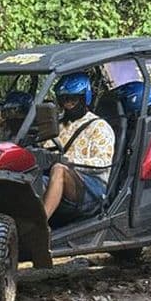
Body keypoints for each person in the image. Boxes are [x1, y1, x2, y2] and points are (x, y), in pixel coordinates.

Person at [43, 72, 115, 224]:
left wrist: (69, 161)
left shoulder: (99, 126)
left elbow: (103, 162)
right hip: (58, 179)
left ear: (84, 98)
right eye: (64, 99)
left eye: (73, 99)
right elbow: (46, 150)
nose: (68, 103)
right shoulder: (58, 125)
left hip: (92, 186)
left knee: (59, 169)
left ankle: (40, 224)